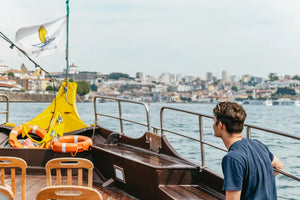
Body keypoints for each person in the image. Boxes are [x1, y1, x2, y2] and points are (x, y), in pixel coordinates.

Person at [213, 102, 283, 200]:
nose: (213, 125)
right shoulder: (258, 145)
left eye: (214, 121)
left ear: (220, 125)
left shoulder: (232, 158)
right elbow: (279, 166)